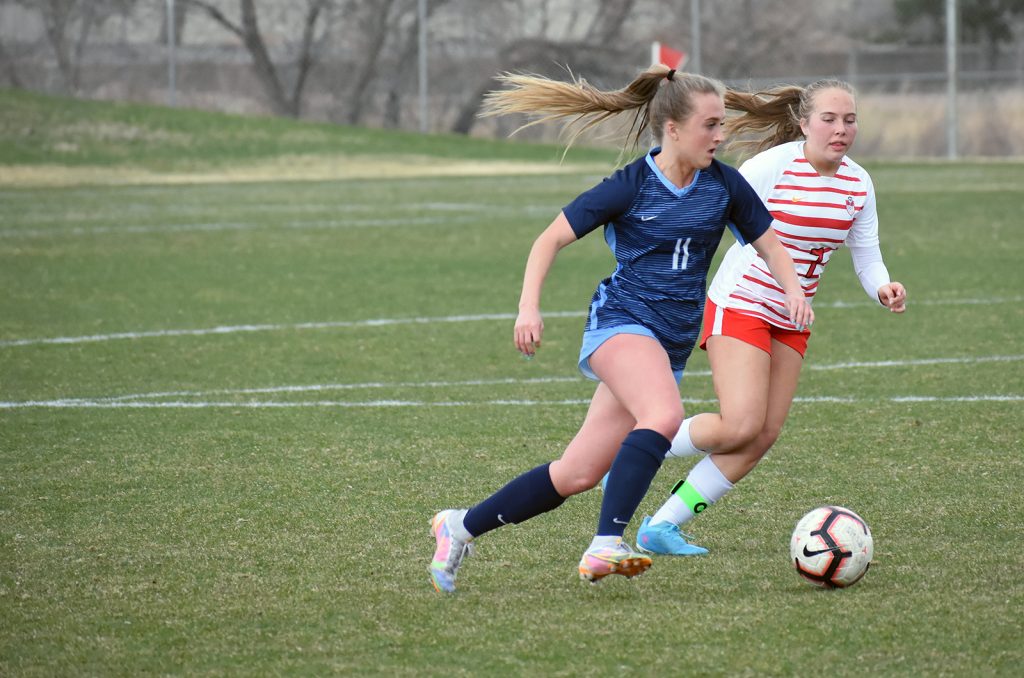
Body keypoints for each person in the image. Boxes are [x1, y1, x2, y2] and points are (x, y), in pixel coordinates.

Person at [427, 64, 814, 593]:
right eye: (710, 125)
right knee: (662, 413)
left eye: (722, 124)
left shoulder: (724, 184)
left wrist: (793, 289)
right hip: (621, 323)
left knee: (577, 473)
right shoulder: (630, 184)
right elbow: (548, 240)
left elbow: (770, 243)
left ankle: (459, 526)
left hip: (671, 342)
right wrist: (528, 308)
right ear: (673, 129)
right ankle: (606, 543)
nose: (721, 136)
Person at [634, 79, 908, 556]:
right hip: (741, 301)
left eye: (849, 119)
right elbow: (714, 214)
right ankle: (639, 445)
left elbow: (866, 256)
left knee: (761, 435)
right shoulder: (772, 167)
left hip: (792, 318)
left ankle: (661, 526)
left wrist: (882, 286)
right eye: (829, 119)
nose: (841, 129)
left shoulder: (858, 183)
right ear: (803, 123)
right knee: (740, 424)